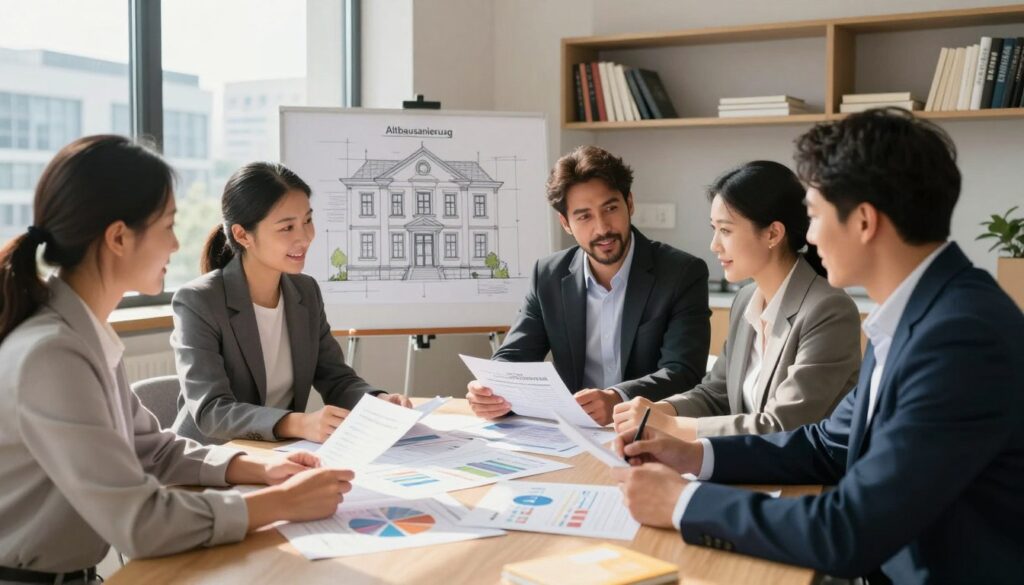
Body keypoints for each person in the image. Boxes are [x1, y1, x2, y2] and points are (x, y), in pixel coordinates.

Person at [612, 109, 1024, 584]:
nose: (807, 235)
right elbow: (827, 442)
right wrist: (692, 455)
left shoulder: (960, 339)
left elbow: (849, 530)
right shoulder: (919, 314)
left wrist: (682, 502)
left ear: (864, 221)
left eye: (814, 215)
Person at [0, 136, 354, 584]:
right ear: (118, 237)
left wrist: (260, 469)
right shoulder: (52, 354)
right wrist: (281, 503)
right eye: (168, 226)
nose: (175, 245)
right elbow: (140, 521)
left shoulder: (83, 336)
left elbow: (155, 448)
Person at [612, 161, 861, 440]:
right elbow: (716, 394)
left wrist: (669, 426)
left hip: (806, 479)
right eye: (713, 229)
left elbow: (780, 426)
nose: (714, 245)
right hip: (749, 466)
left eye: (726, 230)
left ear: (773, 234)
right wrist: (659, 411)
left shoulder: (829, 310)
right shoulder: (745, 300)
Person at [466, 145, 711, 425]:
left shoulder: (681, 273)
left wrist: (617, 398)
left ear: (629, 203)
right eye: (584, 216)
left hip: (651, 430)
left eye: (610, 208)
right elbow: (514, 356)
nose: (602, 228)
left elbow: (683, 372)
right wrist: (491, 389)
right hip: (574, 432)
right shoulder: (548, 275)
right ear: (566, 223)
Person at [171, 162, 411, 445]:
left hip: (277, 455)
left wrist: (377, 401)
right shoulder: (198, 301)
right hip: (209, 461)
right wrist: (299, 423)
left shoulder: (305, 291)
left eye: (307, 221)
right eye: (287, 227)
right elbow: (212, 411)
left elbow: (336, 378)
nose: (305, 237)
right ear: (242, 235)